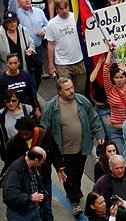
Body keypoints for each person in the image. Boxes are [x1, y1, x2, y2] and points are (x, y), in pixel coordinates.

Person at [39, 76, 106, 216]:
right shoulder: (51, 107)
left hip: (82, 148)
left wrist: (99, 133)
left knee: (78, 173)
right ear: (59, 91)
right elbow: (44, 130)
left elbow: (93, 117)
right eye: (67, 89)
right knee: (69, 177)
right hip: (63, 151)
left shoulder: (81, 101)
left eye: (72, 88)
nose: (71, 91)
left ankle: (74, 192)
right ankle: (75, 202)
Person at [2, 147, 48, 221]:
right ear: (36, 160)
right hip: (19, 214)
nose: (42, 163)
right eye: (42, 161)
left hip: (33, 210)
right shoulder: (16, 170)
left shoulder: (31, 166)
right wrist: (30, 198)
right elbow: (11, 195)